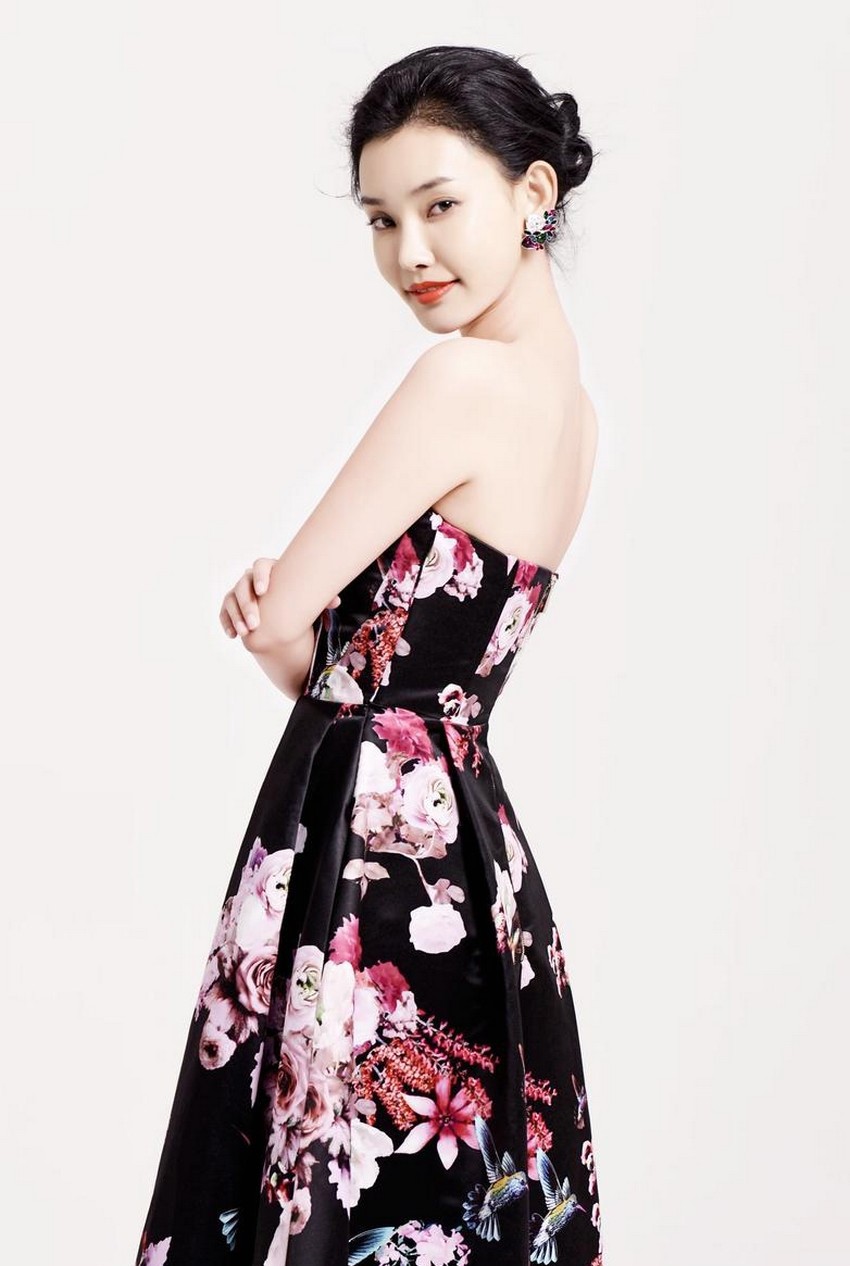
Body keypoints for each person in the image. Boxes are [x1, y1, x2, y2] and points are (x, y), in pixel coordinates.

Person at [135, 43, 603, 1266]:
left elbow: (286, 625)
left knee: (329, 1194)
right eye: (382, 220)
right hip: (468, 854)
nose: (410, 254)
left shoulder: (462, 381)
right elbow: (395, 676)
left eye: (440, 206)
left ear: (533, 193)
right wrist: (316, 644)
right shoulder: (574, 415)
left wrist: (285, 612)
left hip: (367, 857)